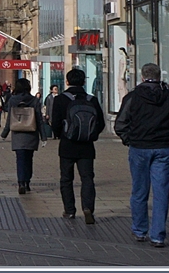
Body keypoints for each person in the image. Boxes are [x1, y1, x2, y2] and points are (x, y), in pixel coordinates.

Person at [114, 63, 169, 247]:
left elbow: (120, 124)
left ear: (142, 76)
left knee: (139, 190)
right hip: (164, 147)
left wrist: (129, 139)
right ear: (158, 76)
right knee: (162, 192)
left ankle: (140, 230)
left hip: (139, 147)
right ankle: (158, 235)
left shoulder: (133, 96)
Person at [51, 67, 105, 224]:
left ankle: (69, 211)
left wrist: (63, 134)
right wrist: (91, 135)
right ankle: (88, 208)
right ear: (83, 81)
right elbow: (100, 123)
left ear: (67, 81)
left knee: (66, 178)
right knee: (87, 178)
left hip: (67, 145)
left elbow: (55, 124)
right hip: (87, 146)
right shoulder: (91, 99)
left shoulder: (60, 99)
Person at [1, 78, 41, 194]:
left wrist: (4, 133)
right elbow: (39, 119)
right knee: (29, 159)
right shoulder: (34, 100)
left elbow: (9, 119)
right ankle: (27, 182)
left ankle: (21, 182)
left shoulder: (13, 100)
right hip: (31, 134)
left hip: (18, 133)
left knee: (20, 159)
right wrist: (43, 136)